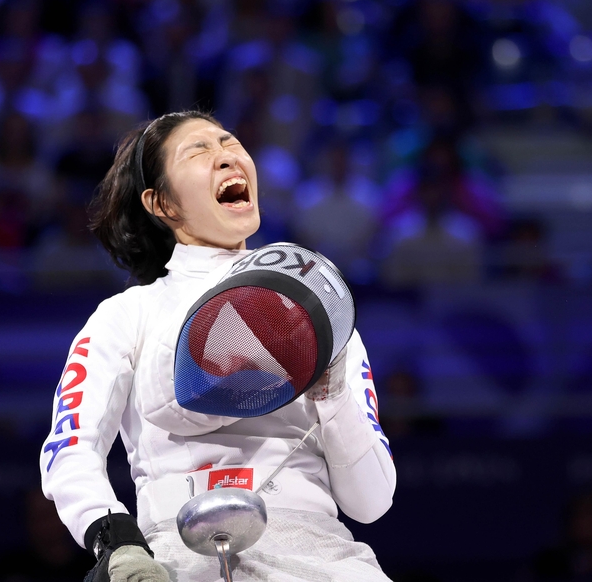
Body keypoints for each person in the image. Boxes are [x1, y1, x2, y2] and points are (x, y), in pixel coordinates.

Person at [38, 111, 394, 581]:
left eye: (230, 142)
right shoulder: (125, 316)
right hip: (178, 556)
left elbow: (371, 501)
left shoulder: (321, 311)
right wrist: (116, 540)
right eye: (199, 150)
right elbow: (69, 449)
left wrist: (332, 395)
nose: (226, 155)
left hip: (322, 557)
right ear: (161, 202)